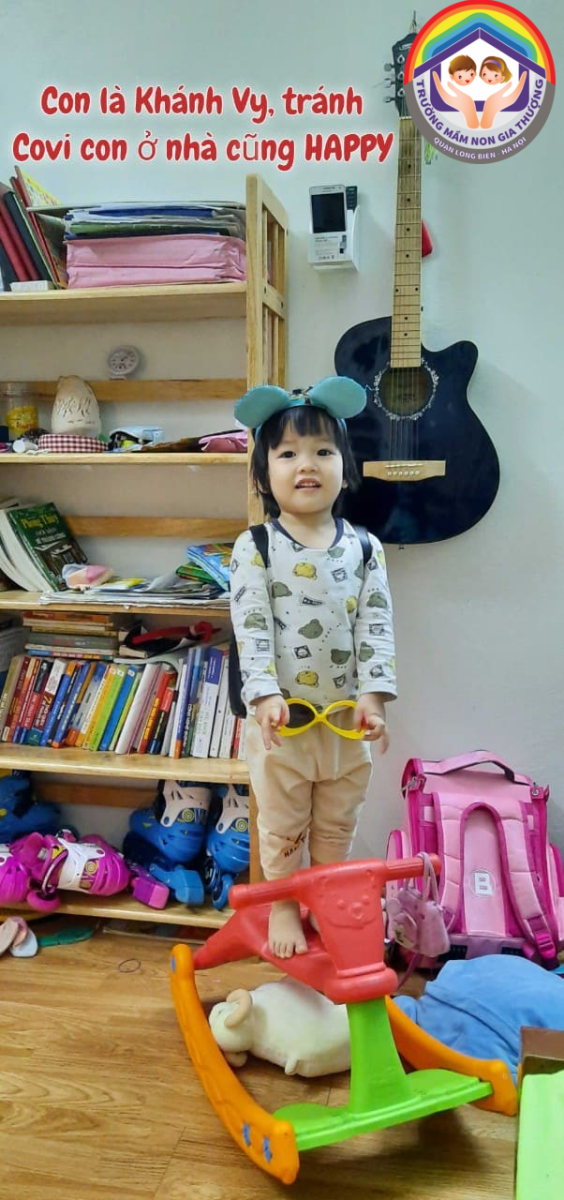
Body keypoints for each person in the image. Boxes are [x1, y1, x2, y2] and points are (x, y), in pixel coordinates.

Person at [230, 377, 396, 958]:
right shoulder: (255, 545)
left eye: (323, 451)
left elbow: (376, 625)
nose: (307, 464)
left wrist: (375, 697)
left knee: (336, 822)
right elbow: (251, 626)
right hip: (282, 723)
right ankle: (283, 902)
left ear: (345, 469)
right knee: (282, 825)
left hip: (346, 721)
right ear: (263, 476)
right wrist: (263, 695)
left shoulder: (365, 547)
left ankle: (324, 895)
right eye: (288, 454)